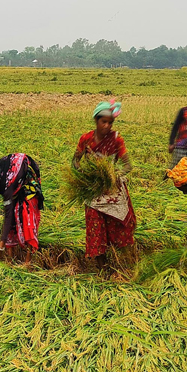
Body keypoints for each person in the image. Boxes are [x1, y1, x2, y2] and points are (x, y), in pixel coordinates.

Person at [72, 100, 136, 264]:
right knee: (96, 229)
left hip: (112, 189)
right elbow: (75, 161)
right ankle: (102, 266)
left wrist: (115, 175)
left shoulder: (116, 139)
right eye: (104, 121)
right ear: (96, 120)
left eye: (110, 122)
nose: (107, 126)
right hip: (93, 190)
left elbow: (128, 165)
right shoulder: (86, 139)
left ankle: (126, 263)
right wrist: (84, 173)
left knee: (120, 226)